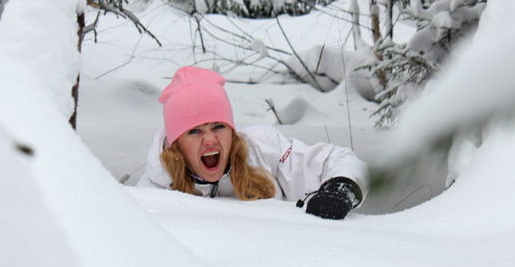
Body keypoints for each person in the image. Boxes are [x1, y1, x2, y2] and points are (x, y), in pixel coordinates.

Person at [136, 66, 370, 220]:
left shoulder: (263, 150)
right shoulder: (152, 194)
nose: (210, 140)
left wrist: (341, 186)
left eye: (219, 126)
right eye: (195, 131)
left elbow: (334, 160)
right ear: (175, 144)